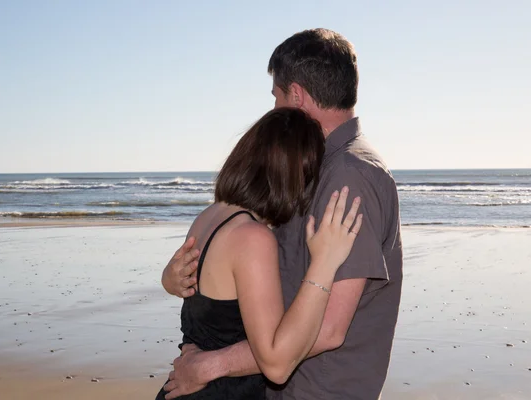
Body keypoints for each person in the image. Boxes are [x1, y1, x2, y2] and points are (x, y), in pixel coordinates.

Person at [161, 28, 403, 400]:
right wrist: (177, 278)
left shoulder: (350, 177)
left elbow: (327, 329)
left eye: (276, 97)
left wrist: (210, 366)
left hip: (317, 390)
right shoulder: (313, 168)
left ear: (297, 95)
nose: (273, 109)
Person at [155, 107, 363, 400]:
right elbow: (276, 364)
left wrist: (166, 279)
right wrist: (325, 263)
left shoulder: (210, 215)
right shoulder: (252, 238)